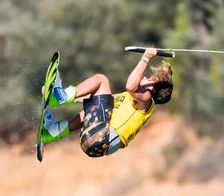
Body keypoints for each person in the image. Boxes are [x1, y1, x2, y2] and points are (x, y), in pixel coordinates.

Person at [41, 48, 173, 157]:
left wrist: (146, 58)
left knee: (101, 79)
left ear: (152, 89)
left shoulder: (147, 101)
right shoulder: (128, 98)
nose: (145, 77)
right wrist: (53, 95)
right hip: (95, 143)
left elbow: (131, 86)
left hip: (103, 137)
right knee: (94, 108)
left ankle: (61, 97)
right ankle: (54, 131)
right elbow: (95, 99)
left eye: (149, 79)